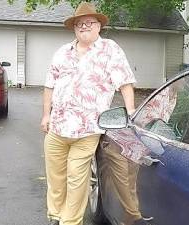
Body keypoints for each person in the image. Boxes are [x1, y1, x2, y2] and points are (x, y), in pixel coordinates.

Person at [40, 2, 136, 225]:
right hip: (57, 126)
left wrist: (130, 111)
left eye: (89, 23)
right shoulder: (62, 52)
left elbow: (125, 82)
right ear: (74, 28)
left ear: (98, 26)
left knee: (77, 178)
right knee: (55, 176)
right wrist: (46, 115)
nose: (84, 26)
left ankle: (70, 221)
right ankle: (55, 214)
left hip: (88, 129)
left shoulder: (110, 49)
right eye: (79, 24)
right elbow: (49, 85)